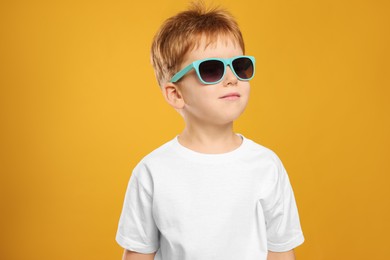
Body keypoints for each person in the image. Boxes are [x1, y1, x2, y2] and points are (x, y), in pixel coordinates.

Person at [116, 2, 304, 260]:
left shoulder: (267, 166)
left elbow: (281, 251)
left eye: (239, 66)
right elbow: (138, 253)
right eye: (211, 69)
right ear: (176, 94)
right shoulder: (152, 172)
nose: (231, 78)